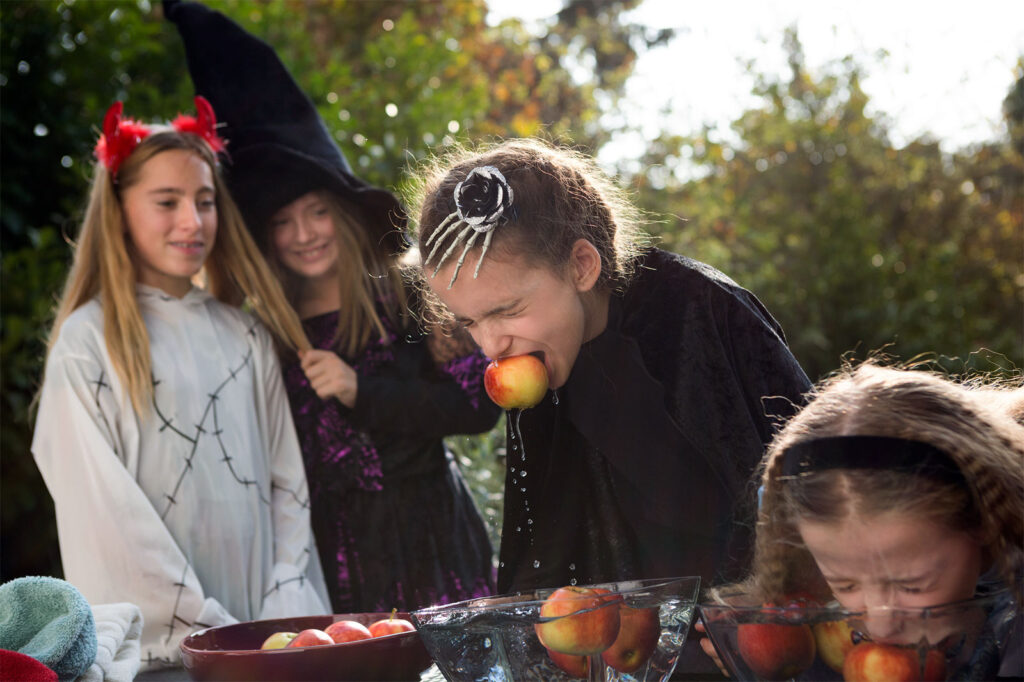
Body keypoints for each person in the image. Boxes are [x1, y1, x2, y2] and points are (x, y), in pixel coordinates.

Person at [166, 0, 501, 613]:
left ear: (343, 213)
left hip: (427, 542)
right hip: (326, 559)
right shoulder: (264, 328)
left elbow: (477, 405)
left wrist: (359, 390)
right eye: (283, 221)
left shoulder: (404, 295)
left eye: (317, 211)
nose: (305, 233)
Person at [407, 138, 812, 596]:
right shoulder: (541, 358)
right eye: (469, 322)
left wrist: (764, 597)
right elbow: (550, 547)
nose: (490, 345)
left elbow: (812, 486)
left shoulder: (700, 312)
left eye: (507, 310)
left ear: (582, 266)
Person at [32, 98, 330, 669]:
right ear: (119, 211)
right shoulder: (88, 340)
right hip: (156, 655)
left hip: (262, 636)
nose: (193, 221)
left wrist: (280, 613)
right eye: (167, 202)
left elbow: (285, 484)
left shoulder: (246, 336)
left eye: (205, 201)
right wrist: (204, 627)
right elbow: (103, 511)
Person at [710, 363, 1023, 678]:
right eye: (844, 584)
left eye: (911, 586)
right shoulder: (819, 614)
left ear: (984, 521)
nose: (880, 625)